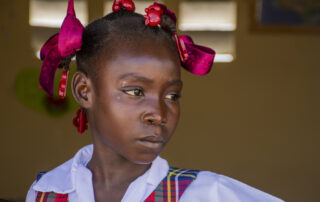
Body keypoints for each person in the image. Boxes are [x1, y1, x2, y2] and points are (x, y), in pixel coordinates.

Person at [26, 0, 284, 201]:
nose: (159, 114)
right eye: (136, 92)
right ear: (84, 91)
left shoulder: (207, 194)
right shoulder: (44, 193)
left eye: (172, 95)